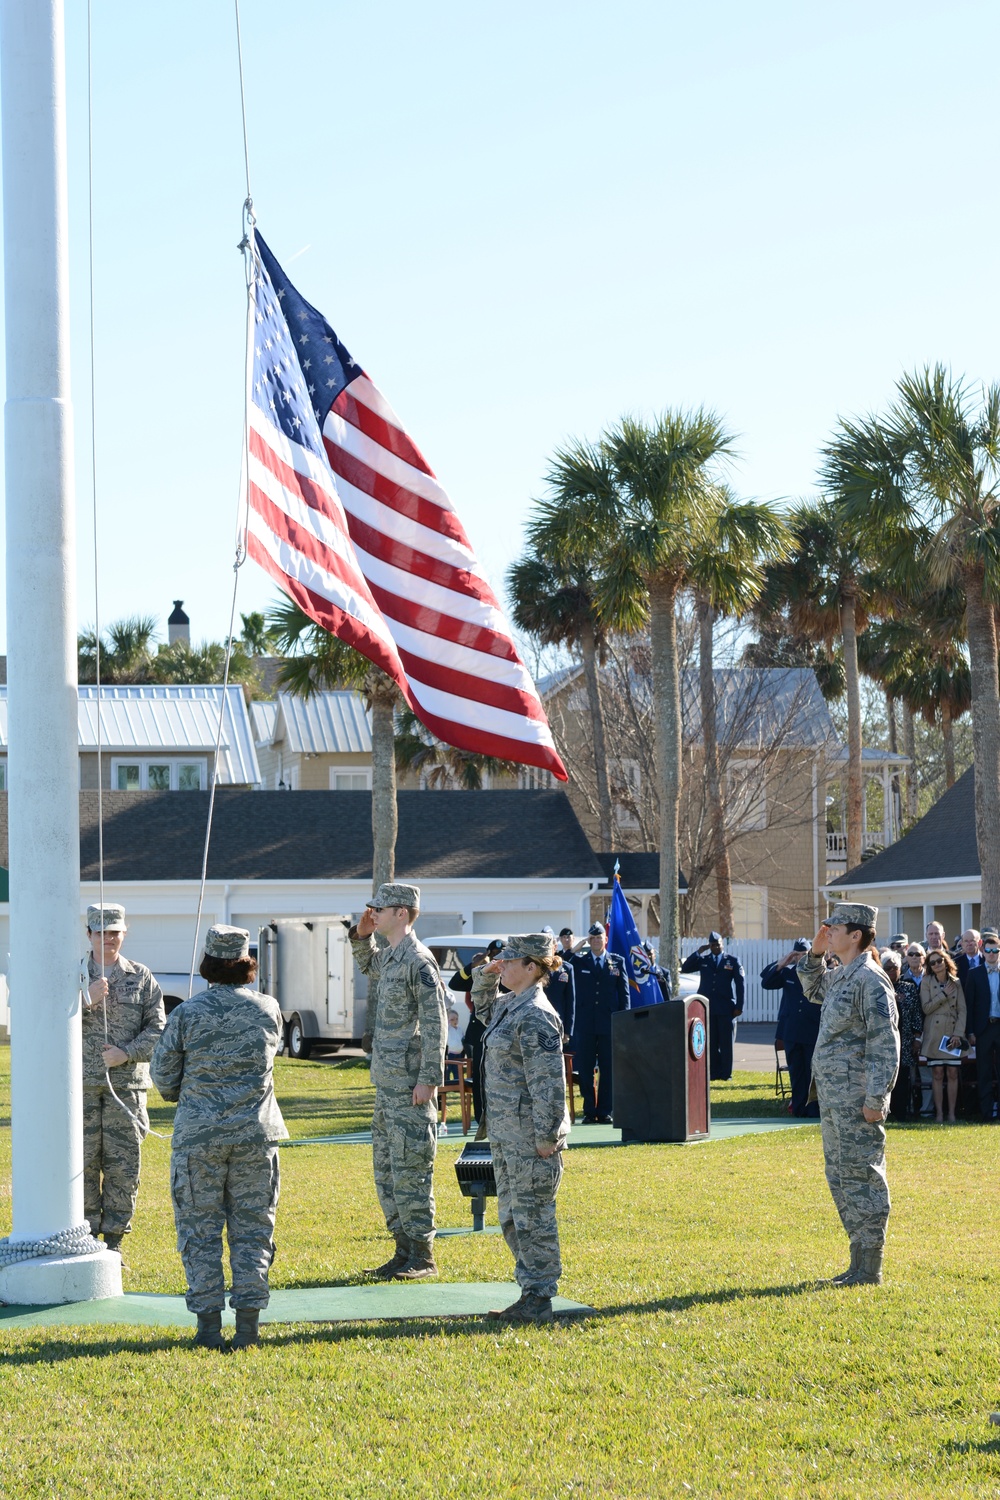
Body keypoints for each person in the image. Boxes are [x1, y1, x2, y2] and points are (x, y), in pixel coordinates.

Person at [150, 925, 288, 1350]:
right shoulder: (269, 1008)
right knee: (253, 1229)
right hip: (255, 1135)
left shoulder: (187, 1014)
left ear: (207, 963)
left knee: (199, 1229)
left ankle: (208, 1330)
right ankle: (248, 1329)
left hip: (199, 1139)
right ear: (247, 963)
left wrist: (189, 1096)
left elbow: (163, 1077)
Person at [796, 903, 900, 1287]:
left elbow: (886, 1044)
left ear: (856, 935)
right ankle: (858, 1261)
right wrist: (817, 952)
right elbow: (811, 987)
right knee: (842, 1176)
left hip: (858, 1099)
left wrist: (876, 1099)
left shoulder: (871, 980)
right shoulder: (843, 975)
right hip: (836, 1098)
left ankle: (870, 1268)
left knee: (864, 1177)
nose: (828, 929)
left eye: (835, 927)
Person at [350, 882, 448, 1280]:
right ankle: (403, 1249)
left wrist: (429, 1079)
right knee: (388, 1171)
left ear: (403, 913)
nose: (374, 914)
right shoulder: (392, 956)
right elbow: (367, 964)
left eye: (381, 909)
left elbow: (435, 1023)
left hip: (410, 1086)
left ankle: (423, 1256)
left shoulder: (420, 962)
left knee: (412, 1170)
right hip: (387, 1085)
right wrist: (361, 935)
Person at [472, 933, 570, 1324]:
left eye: (511, 962)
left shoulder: (536, 1014)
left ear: (532, 967)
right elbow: (481, 1005)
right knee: (513, 1217)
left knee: (534, 1218)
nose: (503, 966)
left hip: (531, 1138)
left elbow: (549, 1084)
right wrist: (487, 972)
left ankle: (540, 1297)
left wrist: (548, 1137)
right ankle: (530, 1293)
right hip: (507, 1134)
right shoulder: (510, 1006)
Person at [82, 903, 165, 1253]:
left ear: (124, 933)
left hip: (126, 1087)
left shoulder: (140, 976)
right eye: (101, 932)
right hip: (80, 1088)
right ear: (89, 934)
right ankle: (84, 1239)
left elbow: (159, 1028)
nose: (109, 939)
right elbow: (45, 1022)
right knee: (81, 1164)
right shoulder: (71, 974)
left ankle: (114, 1244)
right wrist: (85, 998)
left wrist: (126, 1053)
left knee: (123, 1166)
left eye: (115, 932)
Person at [565, 922, 627, 1122]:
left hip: (609, 1023)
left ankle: (605, 1110)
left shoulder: (617, 962)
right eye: (592, 938)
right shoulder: (580, 962)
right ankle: (590, 1110)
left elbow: (624, 995)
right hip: (586, 1024)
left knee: (608, 1068)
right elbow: (561, 964)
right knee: (585, 1068)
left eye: (599, 938)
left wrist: (623, 1021)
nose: (596, 941)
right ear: (588, 941)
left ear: (605, 940)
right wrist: (573, 950)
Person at [449, 938, 505, 1123]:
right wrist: (474, 965)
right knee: (480, 1077)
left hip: (503, 1032)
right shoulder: (480, 974)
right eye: (494, 955)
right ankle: (482, 1118)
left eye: (501, 955)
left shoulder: (511, 974)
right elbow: (455, 984)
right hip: (481, 1034)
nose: (497, 960)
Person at [762, 938, 819, 1117]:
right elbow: (766, 982)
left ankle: (813, 1109)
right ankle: (798, 1108)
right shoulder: (787, 973)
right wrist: (781, 964)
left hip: (812, 1030)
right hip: (791, 1031)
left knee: (812, 1072)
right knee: (796, 1071)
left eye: (805, 954)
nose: (801, 958)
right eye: (798, 955)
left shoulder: (818, 973)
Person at [681, 931, 746, 1081]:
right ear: (709, 945)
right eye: (713, 944)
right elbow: (685, 967)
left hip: (725, 1008)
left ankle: (726, 1073)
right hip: (707, 1007)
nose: (716, 947)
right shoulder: (704, 960)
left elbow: (740, 984)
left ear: (722, 944)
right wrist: (699, 951)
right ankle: (713, 1072)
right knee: (710, 1041)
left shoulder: (732, 961)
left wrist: (739, 1006)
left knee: (725, 1042)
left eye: (718, 944)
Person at [919, 948, 967, 1123]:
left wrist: (958, 1034)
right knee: (937, 1073)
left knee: (953, 1073)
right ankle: (939, 1114)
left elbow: (962, 1010)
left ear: (946, 962)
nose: (937, 964)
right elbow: (927, 1008)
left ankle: (952, 1114)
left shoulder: (957, 982)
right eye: (933, 962)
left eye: (939, 961)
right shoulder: (926, 982)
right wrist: (944, 994)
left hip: (952, 1032)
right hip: (935, 1033)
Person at [966, 928, 1000, 1120]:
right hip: (983, 1029)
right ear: (983, 950)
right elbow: (970, 1006)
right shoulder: (975, 973)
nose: (992, 954)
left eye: (996, 951)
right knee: (984, 1072)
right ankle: (986, 1113)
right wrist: (970, 1031)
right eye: (989, 950)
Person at [956, 928, 983, 995]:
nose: (969, 944)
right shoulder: (956, 963)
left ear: (980, 943)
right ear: (962, 944)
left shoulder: (987, 960)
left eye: (972, 941)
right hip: (964, 1003)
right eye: (966, 941)